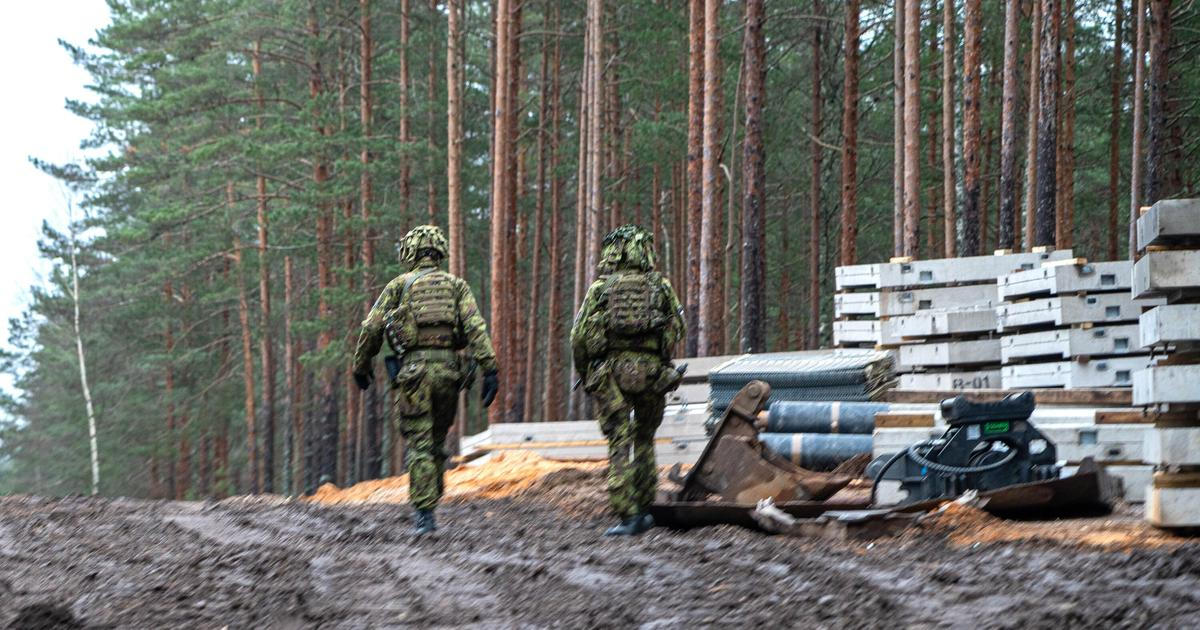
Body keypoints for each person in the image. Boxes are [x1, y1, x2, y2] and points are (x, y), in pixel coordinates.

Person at [353, 225, 500, 535]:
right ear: (439, 251)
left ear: (410, 253)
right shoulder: (456, 286)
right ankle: (431, 498)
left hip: (414, 375)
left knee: (420, 444)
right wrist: (489, 368)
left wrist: (361, 365)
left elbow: (372, 327)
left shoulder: (399, 285)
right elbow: (475, 327)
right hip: (449, 374)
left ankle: (424, 515)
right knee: (436, 441)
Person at [571, 225, 686, 536]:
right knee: (645, 438)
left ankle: (627, 514)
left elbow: (578, 337)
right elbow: (679, 326)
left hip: (612, 374)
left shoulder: (600, 289)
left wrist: (586, 373)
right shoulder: (661, 286)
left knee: (619, 440)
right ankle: (645, 508)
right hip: (652, 374)